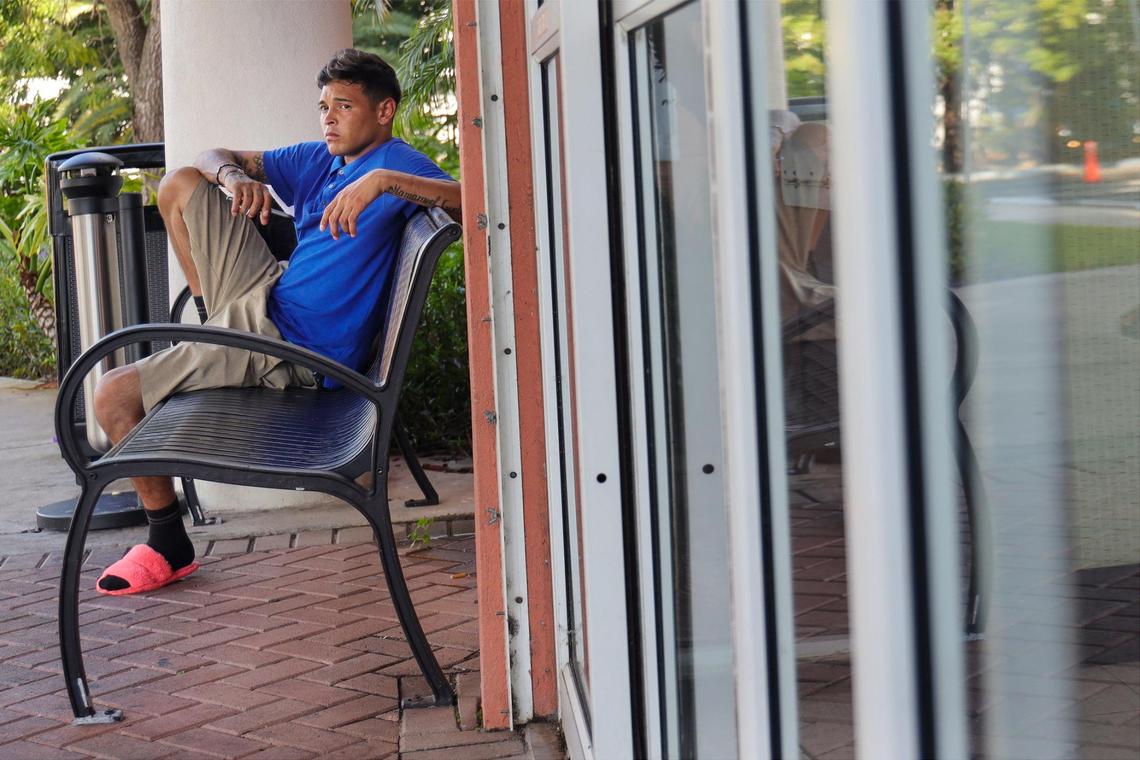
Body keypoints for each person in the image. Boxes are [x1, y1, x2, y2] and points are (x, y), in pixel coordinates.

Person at [91, 49, 461, 596]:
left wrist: (382, 181)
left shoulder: (401, 165)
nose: (329, 118)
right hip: (266, 295)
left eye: (344, 105)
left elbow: (475, 198)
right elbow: (211, 155)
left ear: (384, 111)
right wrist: (236, 176)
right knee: (180, 183)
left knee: (112, 397)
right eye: (323, 106)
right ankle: (212, 323)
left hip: (284, 346)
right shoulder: (319, 159)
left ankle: (167, 541)